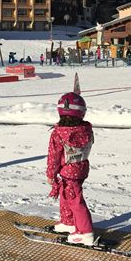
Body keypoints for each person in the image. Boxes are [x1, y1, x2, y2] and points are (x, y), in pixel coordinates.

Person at [47, 92, 95, 246]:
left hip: (68, 171)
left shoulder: (59, 133)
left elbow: (54, 156)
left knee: (75, 200)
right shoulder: (85, 130)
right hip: (81, 168)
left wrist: (51, 174)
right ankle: (69, 222)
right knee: (66, 195)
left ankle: (85, 233)